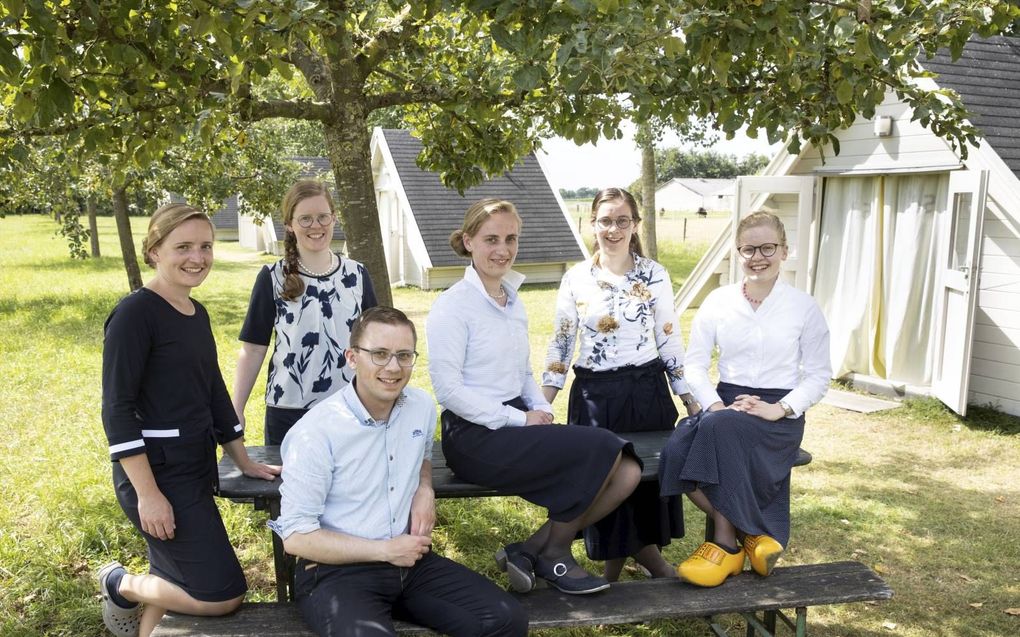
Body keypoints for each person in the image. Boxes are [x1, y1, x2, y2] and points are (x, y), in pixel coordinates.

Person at [427, 198, 643, 596]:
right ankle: (556, 552)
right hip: (473, 436)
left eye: (511, 238)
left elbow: (523, 372)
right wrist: (519, 419)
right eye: (491, 239)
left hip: (514, 423)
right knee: (604, 446)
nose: (503, 249)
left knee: (628, 470)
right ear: (469, 241)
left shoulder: (511, 300)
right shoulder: (452, 306)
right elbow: (448, 390)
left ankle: (529, 550)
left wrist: (540, 407)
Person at [270, 306, 527, 637]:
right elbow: (296, 537)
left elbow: (420, 455)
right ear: (352, 357)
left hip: (409, 562)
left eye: (404, 355)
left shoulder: (419, 407)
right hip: (336, 572)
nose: (393, 367)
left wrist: (424, 488)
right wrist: (385, 550)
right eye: (379, 354)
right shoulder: (316, 432)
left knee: (507, 619)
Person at [98, 203, 281, 637]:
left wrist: (243, 460)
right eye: (183, 246)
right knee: (221, 595)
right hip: (157, 477)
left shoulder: (196, 314)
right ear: (154, 250)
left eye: (205, 246)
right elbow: (117, 411)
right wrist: (148, 495)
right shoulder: (134, 315)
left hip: (194, 469)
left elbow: (215, 396)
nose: (196, 257)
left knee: (174, 574)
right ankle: (119, 584)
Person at [658, 210, 831, 587]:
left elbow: (819, 375)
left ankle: (724, 545)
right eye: (748, 249)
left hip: (777, 415)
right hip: (724, 405)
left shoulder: (803, 307)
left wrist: (779, 408)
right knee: (676, 451)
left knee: (720, 433)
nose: (758, 257)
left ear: (784, 251)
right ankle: (751, 537)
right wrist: (715, 405)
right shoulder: (718, 302)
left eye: (767, 247)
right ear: (737, 253)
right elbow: (695, 365)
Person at [541, 187, 697, 582]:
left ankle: (617, 573)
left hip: (647, 391)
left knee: (644, 487)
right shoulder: (576, 278)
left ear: (634, 225)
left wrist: (690, 398)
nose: (613, 229)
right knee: (605, 483)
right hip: (595, 397)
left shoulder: (654, 274)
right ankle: (652, 568)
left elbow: (668, 338)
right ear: (592, 224)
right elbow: (561, 341)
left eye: (622, 220)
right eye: (605, 220)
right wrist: (544, 403)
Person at [234, 180, 377, 445]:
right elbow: (253, 348)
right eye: (306, 219)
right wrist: (237, 408)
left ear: (334, 219)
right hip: (288, 410)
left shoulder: (357, 275)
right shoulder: (273, 277)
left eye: (323, 217)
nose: (316, 226)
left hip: (350, 406)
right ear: (289, 224)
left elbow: (376, 344)